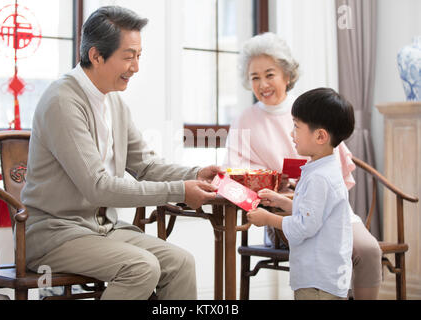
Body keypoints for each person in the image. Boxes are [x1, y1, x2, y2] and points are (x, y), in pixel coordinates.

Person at [21, 6, 221, 300]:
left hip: (103, 229)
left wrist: (195, 175)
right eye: (128, 57)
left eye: (139, 56)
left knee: (181, 263)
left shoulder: (114, 104)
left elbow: (147, 165)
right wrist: (179, 190)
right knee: (141, 267)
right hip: (55, 235)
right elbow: (98, 187)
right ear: (96, 55)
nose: (136, 67)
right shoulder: (62, 102)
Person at [223, 32, 382, 299]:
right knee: (315, 248)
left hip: (325, 207)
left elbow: (338, 170)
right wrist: (272, 183)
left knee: (369, 250)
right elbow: (232, 179)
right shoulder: (244, 120)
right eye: (254, 77)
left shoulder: (312, 112)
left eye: (269, 74)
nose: (263, 84)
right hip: (279, 210)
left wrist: (309, 189)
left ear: (286, 75)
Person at [247, 87, 355, 300]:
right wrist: (282, 201)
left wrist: (269, 218)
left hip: (318, 281)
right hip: (326, 275)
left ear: (321, 136)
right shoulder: (322, 169)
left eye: (296, 127)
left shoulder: (319, 178)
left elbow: (306, 225)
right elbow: (312, 211)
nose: (291, 133)